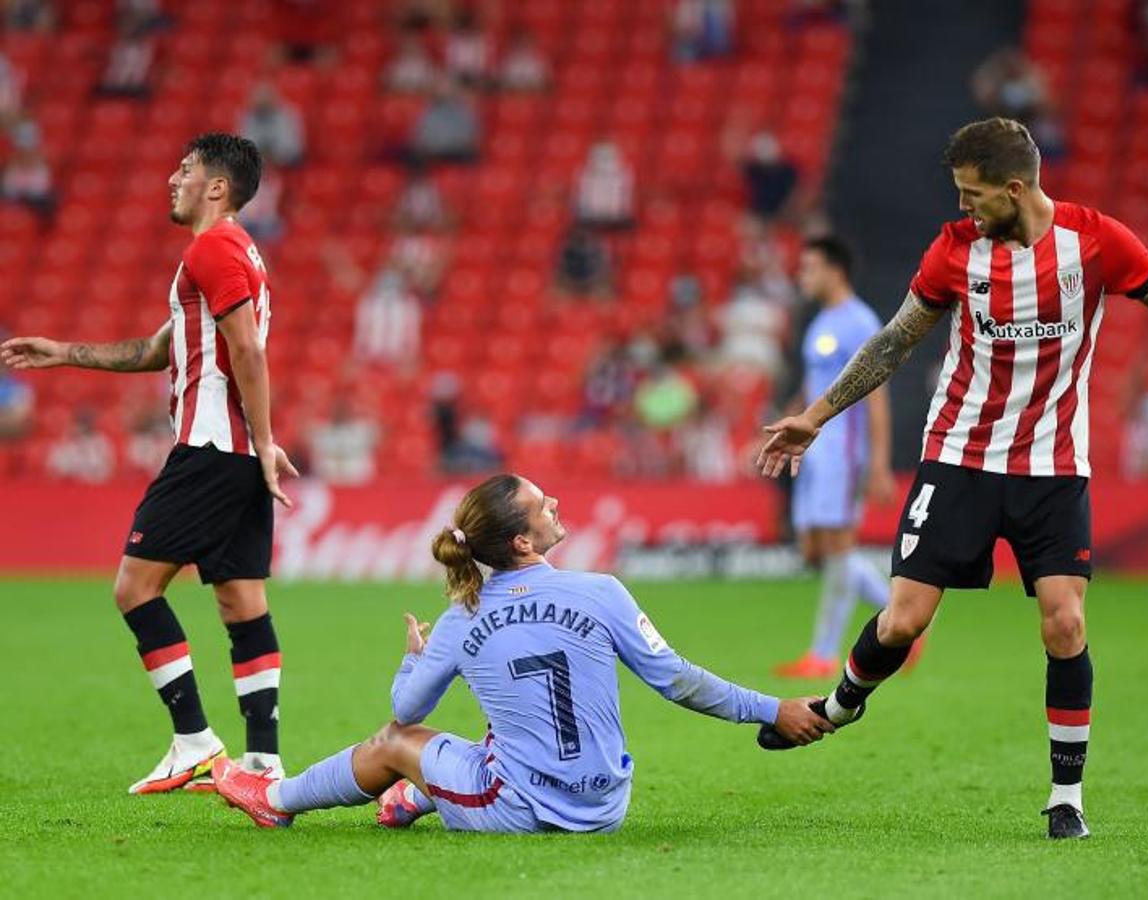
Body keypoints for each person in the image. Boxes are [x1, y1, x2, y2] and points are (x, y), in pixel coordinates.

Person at [755, 118, 1148, 839]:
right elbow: (893, 343)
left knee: (1065, 622)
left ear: (1014, 188)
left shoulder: (1096, 241)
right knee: (904, 619)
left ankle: (1065, 797)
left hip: (1052, 466)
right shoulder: (952, 251)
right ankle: (841, 705)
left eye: (973, 194)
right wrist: (815, 416)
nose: (963, 207)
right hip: (959, 456)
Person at [213, 474, 833, 831]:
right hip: (605, 804)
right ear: (521, 539)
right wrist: (770, 708)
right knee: (500, 728)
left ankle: (274, 801)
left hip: (526, 809)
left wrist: (412, 657)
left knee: (392, 744)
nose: (554, 504)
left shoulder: (465, 614)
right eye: (542, 505)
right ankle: (413, 797)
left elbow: (404, 709)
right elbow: (675, 680)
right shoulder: (602, 591)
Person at [1, 133, 298, 793]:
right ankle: (264, 764)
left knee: (135, 588)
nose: (173, 178)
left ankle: (194, 742)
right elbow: (159, 350)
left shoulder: (213, 246)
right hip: (238, 452)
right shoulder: (237, 251)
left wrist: (266, 439)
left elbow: (248, 352)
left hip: (213, 450)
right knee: (241, 601)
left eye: (186, 169)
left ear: (217, 186)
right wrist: (62, 352)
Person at [771, 238, 900, 679]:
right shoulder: (821, 322)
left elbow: (877, 394)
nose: (802, 276)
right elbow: (813, 388)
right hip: (814, 450)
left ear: (835, 271)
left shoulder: (860, 321)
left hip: (844, 449)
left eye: (809, 268)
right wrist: (783, 425)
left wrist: (879, 463)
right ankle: (901, 620)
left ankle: (823, 655)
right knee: (815, 549)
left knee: (839, 546)